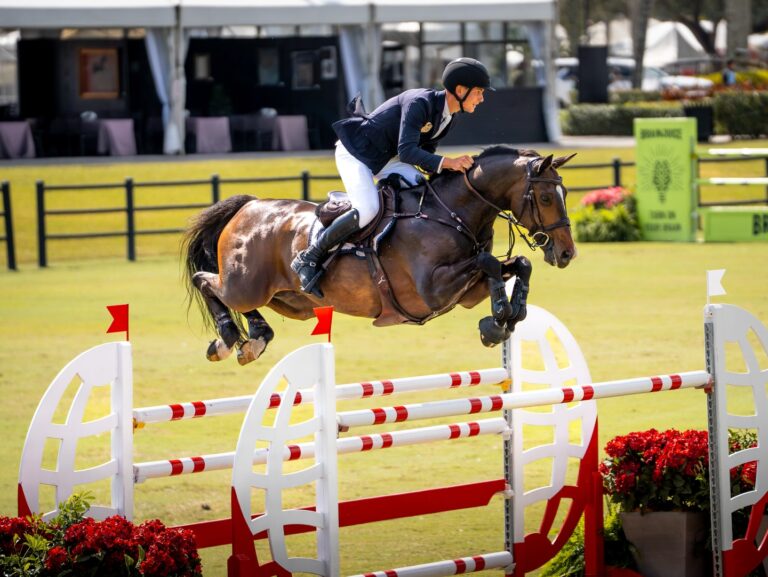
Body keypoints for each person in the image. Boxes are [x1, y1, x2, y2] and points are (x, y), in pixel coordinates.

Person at [291, 57, 494, 297]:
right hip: (357, 153)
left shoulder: (448, 117)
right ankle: (310, 257)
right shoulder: (421, 102)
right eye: (479, 92)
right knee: (367, 209)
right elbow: (408, 150)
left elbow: (423, 156)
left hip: (389, 159)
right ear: (461, 90)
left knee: (424, 190)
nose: (481, 98)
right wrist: (448, 162)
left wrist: (450, 169)